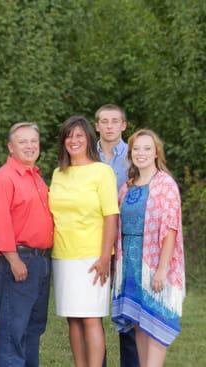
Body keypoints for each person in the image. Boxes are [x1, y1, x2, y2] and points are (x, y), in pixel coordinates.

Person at [49, 116, 119, 367]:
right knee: (73, 318)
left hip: (92, 257)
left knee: (91, 318)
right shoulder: (58, 173)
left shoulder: (102, 172)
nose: (74, 140)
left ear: (89, 138)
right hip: (63, 256)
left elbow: (111, 215)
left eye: (79, 135)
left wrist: (104, 257)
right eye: (69, 135)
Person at [111, 129, 185, 367]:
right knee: (140, 328)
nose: (141, 153)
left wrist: (162, 269)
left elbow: (171, 228)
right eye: (136, 149)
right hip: (131, 268)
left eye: (147, 148)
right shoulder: (128, 187)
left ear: (156, 153)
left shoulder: (165, 184)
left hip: (153, 266)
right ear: (130, 153)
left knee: (155, 327)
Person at [0, 122, 54, 367]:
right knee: (12, 330)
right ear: (10, 147)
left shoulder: (36, 177)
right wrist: (13, 259)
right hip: (18, 260)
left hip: (41, 261)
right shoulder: (4, 179)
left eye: (33, 141)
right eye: (22, 141)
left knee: (33, 328)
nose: (29, 146)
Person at [95, 104, 138, 367]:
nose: (109, 126)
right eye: (104, 121)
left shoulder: (135, 156)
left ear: (124, 125)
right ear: (96, 125)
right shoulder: (87, 156)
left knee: (128, 313)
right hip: (95, 243)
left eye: (115, 121)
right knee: (93, 313)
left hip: (127, 243)